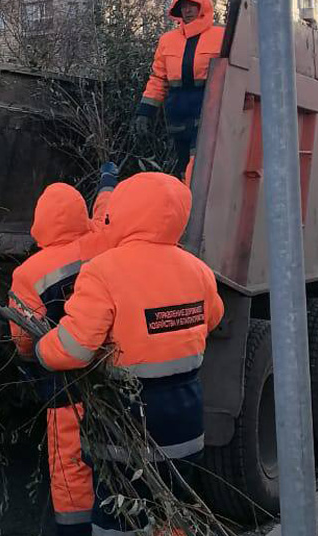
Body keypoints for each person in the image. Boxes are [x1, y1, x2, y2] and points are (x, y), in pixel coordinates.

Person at [34, 172, 224, 534]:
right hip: (187, 418)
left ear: (121, 212)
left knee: (119, 513)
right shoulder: (199, 270)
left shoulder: (103, 271)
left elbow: (75, 347)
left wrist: (44, 350)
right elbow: (212, 317)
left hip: (127, 419)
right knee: (173, 510)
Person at [7, 163, 118, 536]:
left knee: (69, 462)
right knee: (111, 455)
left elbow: (23, 341)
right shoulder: (101, 243)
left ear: (40, 221)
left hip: (62, 383)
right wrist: (107, 183)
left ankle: (73, 528)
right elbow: (105, 216)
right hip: (108, 374)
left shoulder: (28, 273)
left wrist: (34, 357)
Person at [134, 0, 225, 179]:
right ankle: (186, 206)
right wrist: (146, 111)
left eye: (193, 5)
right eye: (183, 6)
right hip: (177, 116)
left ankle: (197, 205)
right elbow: (158, 78)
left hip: (208, 113)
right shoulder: (167, 40)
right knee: (183, 170)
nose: (188, 10)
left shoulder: (220, 36)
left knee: (198, 168)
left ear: (203, 7)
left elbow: (234, 73)